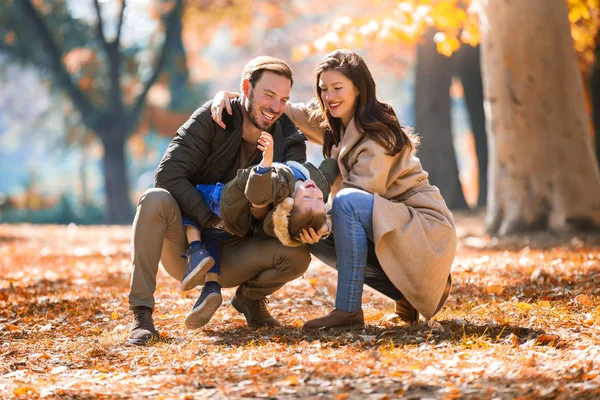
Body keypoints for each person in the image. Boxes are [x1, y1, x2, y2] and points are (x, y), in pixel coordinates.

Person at [211, 49, 456, 330]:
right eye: (324, 89)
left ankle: (349, 310)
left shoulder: (377, 136)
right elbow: (278, 107)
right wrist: (226, 96)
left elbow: (356, 199)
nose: (329, 96)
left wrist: (323, 224)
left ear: (359, 89)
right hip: (392, 226)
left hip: (422, 231)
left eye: (338, 88)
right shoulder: (332, 122)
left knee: (337, 208)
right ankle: (405, 296)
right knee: (305, 223)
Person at [127, 56, 313, 345]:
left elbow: (292, 192)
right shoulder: (214, 117)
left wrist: (304, 221)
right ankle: (142, 316)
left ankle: (250, 300)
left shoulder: (288, 137)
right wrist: (210, 218)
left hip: (238, 249)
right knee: (153, 199)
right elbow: (168, 176)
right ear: (245, 88)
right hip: (189, 246)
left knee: (298, 256)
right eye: (268, 94)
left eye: (283, 99)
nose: (276, 107)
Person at [181, 130, 338, 329]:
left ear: (288, 205)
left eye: (309, 199)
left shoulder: (281, 187)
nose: (315, 193)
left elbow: (257, 193)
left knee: (191, 202)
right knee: (212, 232)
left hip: (222, 199)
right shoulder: (317, 186)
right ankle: (211, 285)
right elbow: (326, 176)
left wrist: (266, 162)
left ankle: (196, 251)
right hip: (232, 215)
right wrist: (334, 157)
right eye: (317, 200)